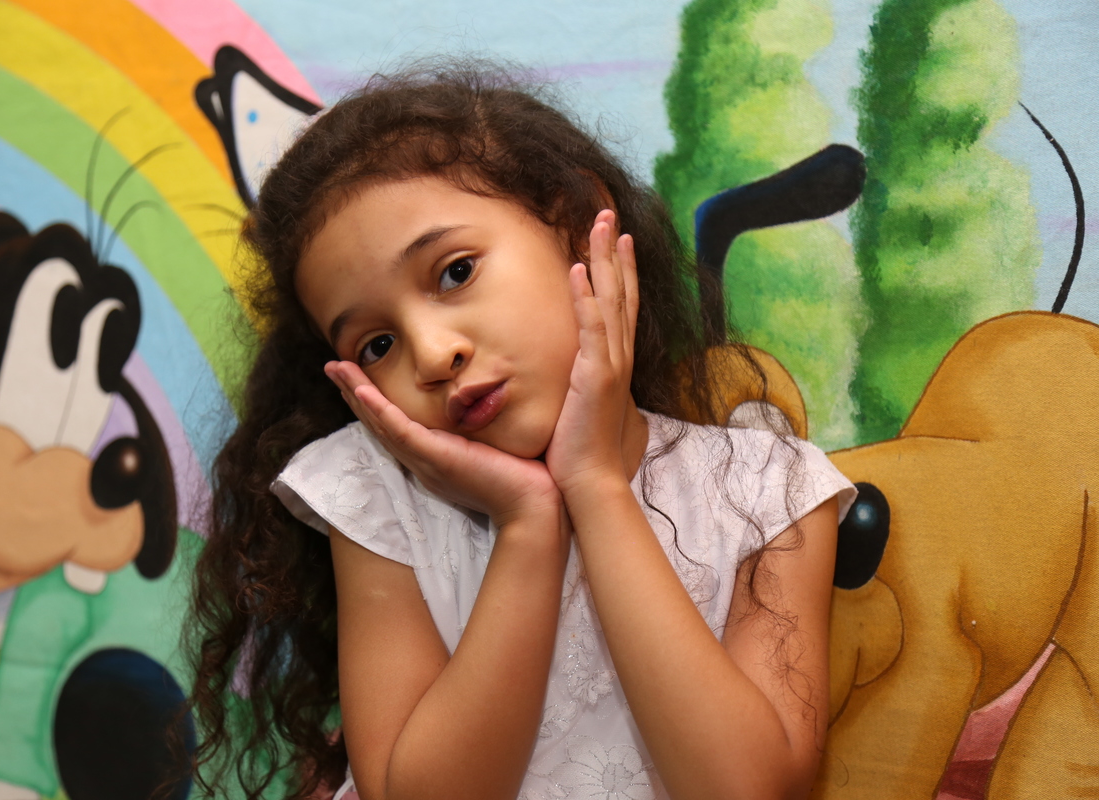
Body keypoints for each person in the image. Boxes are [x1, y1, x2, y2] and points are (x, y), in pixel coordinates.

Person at [186, 62, 856, 800]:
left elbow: (745, 788)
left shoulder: (765, 489)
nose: (433, 355)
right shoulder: (377, 496)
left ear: (580, 225)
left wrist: (594, 484)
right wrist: (528, 524)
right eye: (376, 345)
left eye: (455, 272)